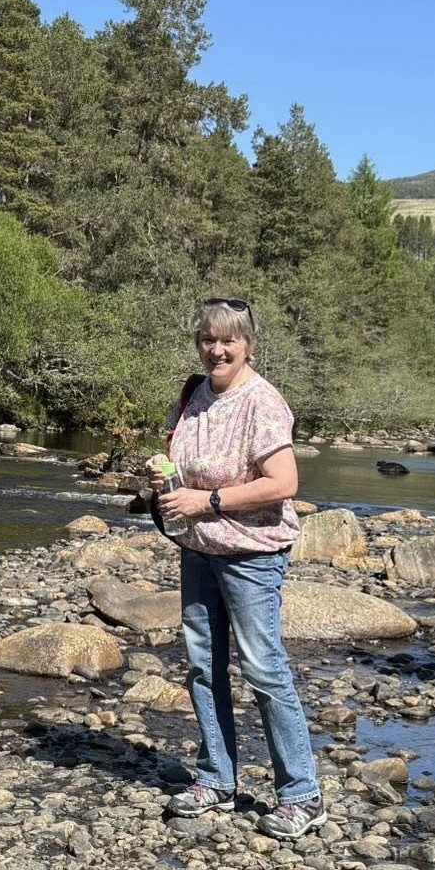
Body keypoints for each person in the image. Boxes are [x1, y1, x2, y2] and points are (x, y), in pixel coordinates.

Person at [150, 298, 325, 838]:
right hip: (199, 550)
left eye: (228, 340)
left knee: (263, 669)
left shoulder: (263, 401)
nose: (217, 350)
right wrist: (166, 484)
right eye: (207, 339)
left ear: (248, 344)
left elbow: (284, 483)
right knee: (203, 667)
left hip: (252, 554)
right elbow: (184, 469)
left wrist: (207, 502)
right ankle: (216, 779)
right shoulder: (193, 395)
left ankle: (302, 793)